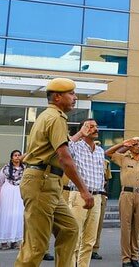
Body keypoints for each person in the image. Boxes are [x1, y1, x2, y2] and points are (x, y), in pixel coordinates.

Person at [14, 78, 93, 267]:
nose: (75, 97)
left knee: (69, 229)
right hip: (42, 182)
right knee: (36, 246)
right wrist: (84, 190)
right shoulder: (56, 118)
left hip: (48, 183)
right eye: (71, 94)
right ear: (57, 97)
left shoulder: (49, 116)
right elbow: (65, 158)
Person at [105, 136, 139, 267]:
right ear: (131, 147)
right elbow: (108, 153)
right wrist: (123, 144)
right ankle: (126, 258)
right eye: (136, 144)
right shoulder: (123, 158)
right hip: (127, 193)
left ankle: (135, 257)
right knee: (126, 228)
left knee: (137, 227)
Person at [65, 119, 106, 267]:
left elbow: (101, 174)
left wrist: (102, 194)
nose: (95, 129)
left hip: (97, 196)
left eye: (96, 126)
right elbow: (64, 147)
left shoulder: (100, 151)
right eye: (90, 126)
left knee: (89, 240)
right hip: (79, 195)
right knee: (75, 238)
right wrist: (80, 133)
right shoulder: (76, 146)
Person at [0, 150, 25, 249]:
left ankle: (15, 240)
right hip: (8, 192)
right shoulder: (6, 168)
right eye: (15, 155)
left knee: (17, 215)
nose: (17, 157)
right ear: (11, 157)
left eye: (19, 155)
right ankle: (4, 241)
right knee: (6, 215)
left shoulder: (25, 168)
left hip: (19, 192)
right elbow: (0, 181)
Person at [91, 142, 111, 261]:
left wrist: (106, 195)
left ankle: (95, 249)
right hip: (87, 193)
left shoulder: (105, 163)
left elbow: (107, 180)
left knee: (98, 223)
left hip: (100, 194)